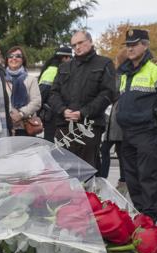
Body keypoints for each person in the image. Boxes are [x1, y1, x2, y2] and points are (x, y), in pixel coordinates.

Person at [116, 29, 157, 222]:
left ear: (145, 45)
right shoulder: (125, 71)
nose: (131, 48)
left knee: (148, 178)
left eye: (135, 44)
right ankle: (139, 216)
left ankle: (149, 220)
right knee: (133, 179)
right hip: (127, 134)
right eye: (128, 44)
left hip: (147, 133)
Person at [49, 30, 116, 168]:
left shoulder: (104, 64)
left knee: (86, 169)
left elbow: (107, 94)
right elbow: (53, 93)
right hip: (64, 124)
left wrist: (83, 112)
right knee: (62, 170)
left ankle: (88, 191)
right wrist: (62, 110)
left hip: (90, 126)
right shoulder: (64, 67)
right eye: (74, 45)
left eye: (80, 43)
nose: (77, 47)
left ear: (90, 42)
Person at [98, 49, 128, 194]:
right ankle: (123, 181)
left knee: (105, 150)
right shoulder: (127, 75)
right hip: (119, 120)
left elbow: (112, 92)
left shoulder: (119, 76)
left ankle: (103, 179)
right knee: (120, 152)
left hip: (116, 121)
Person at [4, 46, 41, 136]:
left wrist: (20, 114)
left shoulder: (31, 79)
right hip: (7, 126)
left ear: (23, 60)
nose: (14, 58)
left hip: (26, 126)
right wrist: (11, 116)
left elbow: (36, 102)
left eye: (18, 56)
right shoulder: (1, 79)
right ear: (7, 60)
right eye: (11, 56)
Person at [38, 46, 72, 142]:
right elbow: (42, 94)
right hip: (52, 115)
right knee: (51, 144)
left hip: (54, 114)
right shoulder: (53, 71)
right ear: (65, 58)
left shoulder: (52, 70)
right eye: (70, 58)